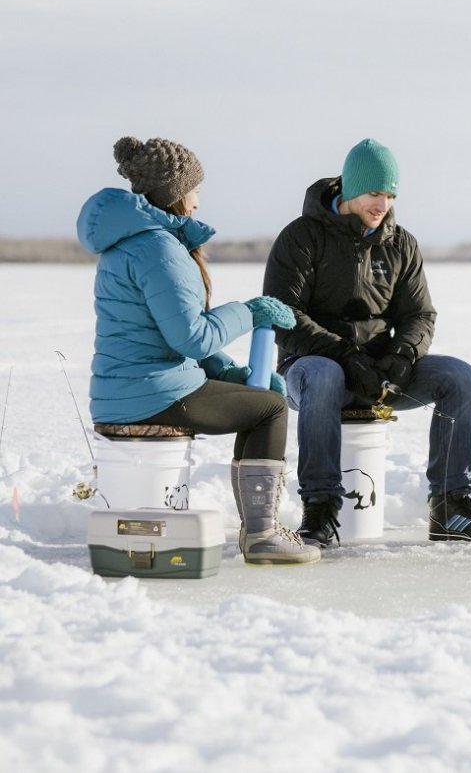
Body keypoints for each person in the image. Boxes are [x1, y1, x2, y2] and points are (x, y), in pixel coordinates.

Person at [76, 136, 320, 565]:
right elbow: (191, 338)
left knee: (259, 398)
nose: (198, 201)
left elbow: (172, 338)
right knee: (270, 409)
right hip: (153, 395)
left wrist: (232, 374)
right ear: (175, 194)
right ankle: (262, 533)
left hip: (131, 390)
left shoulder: (134, 243)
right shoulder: (158, 249)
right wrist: (249, 311)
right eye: (195, 190)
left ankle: (259, 529)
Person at [263, 137, 471, 546]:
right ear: (350, 189)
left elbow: (419, 315)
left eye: (391, 194)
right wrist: (344, 355)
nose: (383, 204)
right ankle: (320, 509)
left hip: (379, 370)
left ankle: (450, 505)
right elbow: (284, 317)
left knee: (457, 375)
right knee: (324, 374)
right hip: (310, 369)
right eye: (375, 193)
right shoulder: (301, 237)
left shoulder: (401, 243)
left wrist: (401, 355)